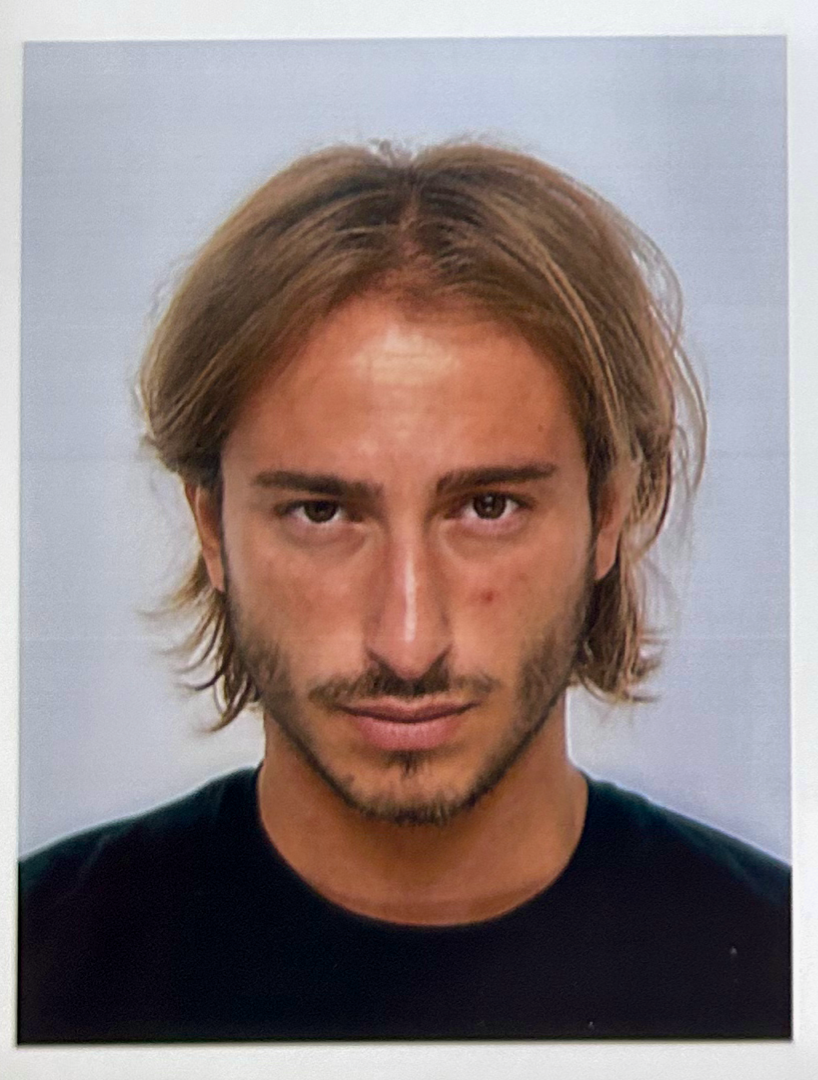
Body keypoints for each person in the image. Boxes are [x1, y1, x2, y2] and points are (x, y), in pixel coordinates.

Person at [18, 141, 790, 1043]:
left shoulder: (780, 970)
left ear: (610, 513)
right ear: (211, 525)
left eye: (489, 507)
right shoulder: (34, 969)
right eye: (321, 513)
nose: (409, 641)